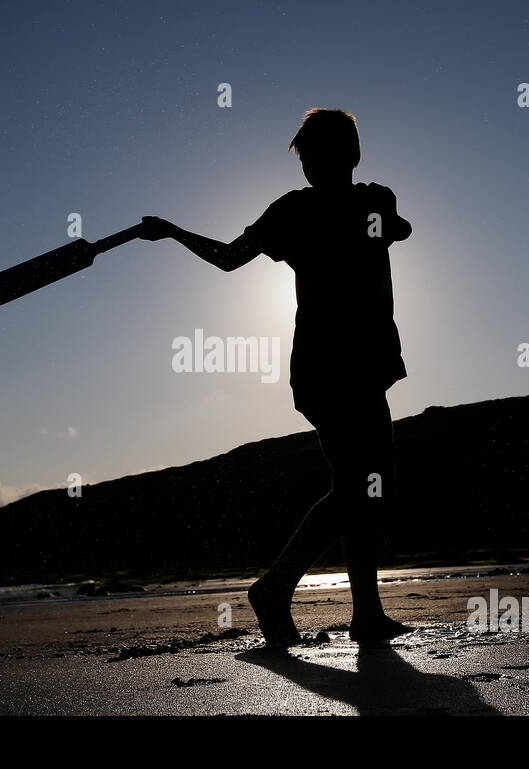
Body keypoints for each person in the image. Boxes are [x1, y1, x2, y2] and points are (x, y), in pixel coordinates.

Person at [141, 108, 413, 647]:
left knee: (362, 490)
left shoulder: (348, 204)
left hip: (361, 368)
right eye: (307, 158)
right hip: (329, 371)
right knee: (361, 486)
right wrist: (172, 233)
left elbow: (393, 230)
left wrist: (172, 232)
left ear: (349, 155)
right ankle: (276, 589)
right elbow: (228, 257)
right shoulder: (327, 207)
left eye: (320, 154)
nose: (312, 166)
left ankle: (361, 612)